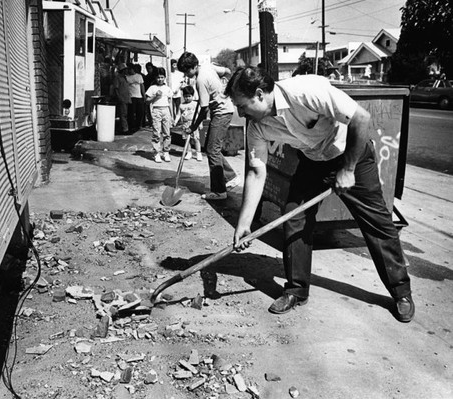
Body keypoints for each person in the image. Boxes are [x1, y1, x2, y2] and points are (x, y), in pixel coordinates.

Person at [225, 67, 414, 323]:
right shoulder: (257, 127)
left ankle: (401, 292)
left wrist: (347, 169)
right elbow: (256, 173)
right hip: (313, 161)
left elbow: (361, 118)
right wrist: (244, 224)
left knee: (377, 222)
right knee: (294, 215)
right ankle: (296, 290)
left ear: (259, 94)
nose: (240, 113)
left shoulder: (306, 90)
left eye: (242, 106)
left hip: (351, 154)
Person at [177, 52, 240, 201]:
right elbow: (227, 71)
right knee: (213, 149)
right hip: (224, 110)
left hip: (221, 113)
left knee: (212, 150)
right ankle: (230, 177)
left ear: (193, 67)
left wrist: (193, 127)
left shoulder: (200, 79)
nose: (187, 75)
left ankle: (219, 191)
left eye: (187, 71)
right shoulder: (208, 67)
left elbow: (204, 109)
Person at [145, 67, 173, 163]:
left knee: (167, 133)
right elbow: (147, 101)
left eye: (162, 77)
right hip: (156, 110)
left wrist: (172, 115)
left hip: (166, 110)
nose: (160, 79)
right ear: (155, 78)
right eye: (158, 77)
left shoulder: (167, 88)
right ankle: (156, 153)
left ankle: (166, 152)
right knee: (156, 133)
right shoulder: (152, 88)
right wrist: (155, 96)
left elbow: (170, 102)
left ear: (165, 77)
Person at [176, 85, 203, 162]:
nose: (187, 98)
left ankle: (198, 153)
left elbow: (200, 115)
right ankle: (189, 152)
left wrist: (200, 123)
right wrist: (175, 121)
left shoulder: (195, 104)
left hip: (194, 124)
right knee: (186, 139)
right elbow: (178, 114)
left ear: (192, 96)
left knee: (196, 138)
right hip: (185, 124)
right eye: (185, 96)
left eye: (189, 96)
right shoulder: (181, 105)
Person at [112, 62, 131, 135]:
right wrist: (119, 97)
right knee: (123, 114)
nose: (127, 71)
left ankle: (123, 128)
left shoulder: (125, 78)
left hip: (126, 99)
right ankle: (125, 129)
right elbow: (116, 89)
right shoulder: (118, 78)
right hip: (122, 99)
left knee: (125, 114)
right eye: (125, 70)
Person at [126, 63, 145, 133]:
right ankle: (131, 126)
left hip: (139, 96)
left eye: (129, 69)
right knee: (131, 113)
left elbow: (142, 86)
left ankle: (138, 125)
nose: (129, 71)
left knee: (140, 112)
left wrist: (144, 95)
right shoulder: (126, 77)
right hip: (131, 97)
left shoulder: (139, 76)